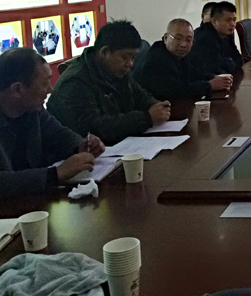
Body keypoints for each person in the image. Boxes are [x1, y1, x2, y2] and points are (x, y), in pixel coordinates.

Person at [0, 48, 105, 198]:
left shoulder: (33, 111)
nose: (50, 90)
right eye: (44, 84)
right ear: (18, 90)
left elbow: (58, 134)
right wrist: (55, 174)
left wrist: (81, 145)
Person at [48, 20, 171, 145]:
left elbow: (139, 95)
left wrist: (156, 105)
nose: (130, 64)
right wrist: (146, 118)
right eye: (125, 57)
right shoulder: (74, 83)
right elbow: (95, 128)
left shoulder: (117, 70)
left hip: (120, 144)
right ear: (104, 52)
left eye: (133, 58)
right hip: (83, 151)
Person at [134, 19, 232, 102]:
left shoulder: (177, 54)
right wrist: (209, 85)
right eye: (178, 38)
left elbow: (193, 73)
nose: (183, 44)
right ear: (165, 38)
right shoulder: (156, 59)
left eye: (188, 40)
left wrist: (214, 77)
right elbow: (177, 91)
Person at [191, 1, 244, 75]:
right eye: (228, 20)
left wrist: (228, 62)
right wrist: (230, 62)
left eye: (234, 20)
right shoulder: (204, 38)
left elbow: (239, 59)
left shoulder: (227, 34)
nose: (233, 24)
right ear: (214, 21)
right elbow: (217, 69)